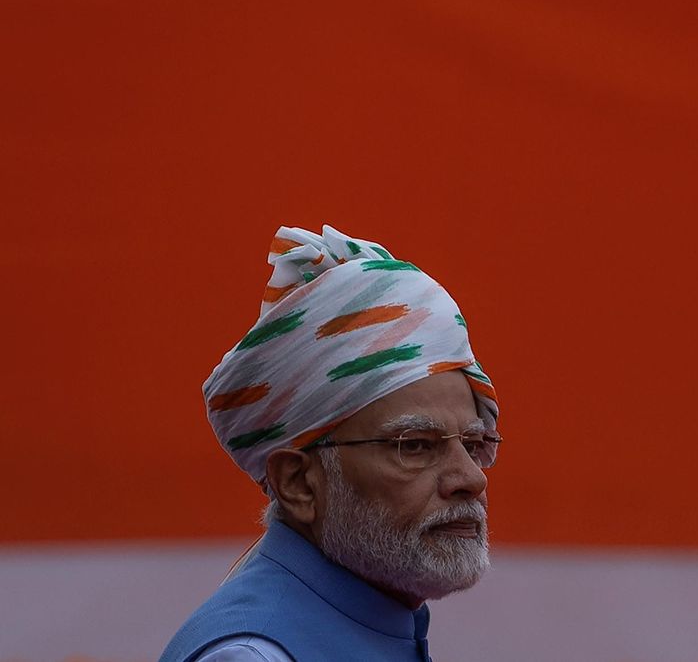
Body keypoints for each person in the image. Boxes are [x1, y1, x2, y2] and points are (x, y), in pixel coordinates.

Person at [160, 225, 502, 662]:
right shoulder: (255, 657)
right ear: (299, 483)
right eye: (415, 445)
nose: (470, 478)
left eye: (473, 444)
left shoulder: (383, 620)